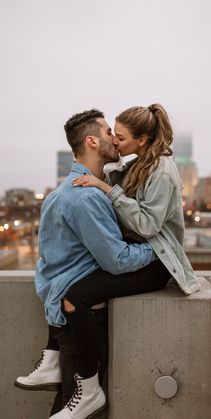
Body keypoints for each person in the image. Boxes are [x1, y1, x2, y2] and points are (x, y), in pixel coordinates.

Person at [16, 108, 171, 419]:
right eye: (108, 132)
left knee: (67, 404)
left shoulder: (64, 191)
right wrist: (159, 250)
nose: (114, 139)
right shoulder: (85, 196)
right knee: (78, 406)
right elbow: (116, 260)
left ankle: (53, 364)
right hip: (80, 315)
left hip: (61, 305)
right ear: (92, 141)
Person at [47, 104, 200, 419]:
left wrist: (104, 187)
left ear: (142, 140)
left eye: (120, 137)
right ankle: (52, 361)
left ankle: (89, 390)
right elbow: (110, 172)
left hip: (156, 262)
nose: (115, 142)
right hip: (137, 254)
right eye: (112, 135)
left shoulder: (163, 170)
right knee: (68, 279)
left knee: (77, 296)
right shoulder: (139, 164)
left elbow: (146, 225)